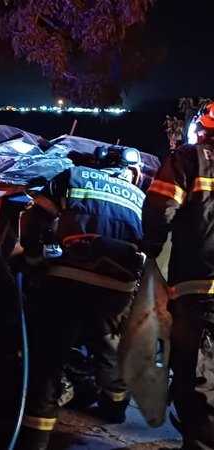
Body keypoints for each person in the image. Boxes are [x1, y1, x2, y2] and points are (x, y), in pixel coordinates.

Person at [16, 146, 146, 450]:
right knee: (112, 348)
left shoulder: (73, 177)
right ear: (132, 172)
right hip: (117, 289)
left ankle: (36, 436)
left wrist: (35, 256)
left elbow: (36, 219)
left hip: (66, 281)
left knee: (49, 357)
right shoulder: (140, 197)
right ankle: (114, 407)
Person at [142, 101, 214, 450]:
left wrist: (152, 247)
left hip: (200, 293)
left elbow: (160, 210)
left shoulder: (191, 158)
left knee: (198, 382)